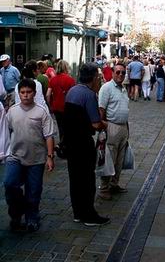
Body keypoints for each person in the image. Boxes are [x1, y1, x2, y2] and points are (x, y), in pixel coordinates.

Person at [4, 79, 55, 232]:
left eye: (29, 92)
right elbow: (7, 132)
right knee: (10, 184)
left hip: (36, 158)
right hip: (15, 156)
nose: (25, 95)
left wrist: (50, 157)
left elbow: (49, 136)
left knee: (33, 191)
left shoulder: (41, 111)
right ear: (18, 94)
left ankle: (32, 217)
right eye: (22, 92)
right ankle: (16, 214)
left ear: (34, 93)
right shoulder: (12, 111)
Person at [63, 63, 110, 226]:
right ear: (94, 78)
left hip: (70, 143)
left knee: (75, 180)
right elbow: (96, 124)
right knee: (87, 180)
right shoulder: (88, 95)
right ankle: (88, 214)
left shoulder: (72, 91)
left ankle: (78, 213)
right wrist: (105, 124)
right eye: (99, 77)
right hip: (83, 144)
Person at [98, 63, 130, 200]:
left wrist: (127, 128)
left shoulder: (123, 88)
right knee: (109, 159)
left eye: (123, 73)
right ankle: (104, 188)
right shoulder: (106, 88)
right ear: (112, 73)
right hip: (111, 127)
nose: (120, 75)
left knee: (119, 160)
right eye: (118, 72)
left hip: (123, 127)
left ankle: (114, 184)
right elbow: (101, 110)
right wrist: (105, 126)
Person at [46, 60, 75, 150]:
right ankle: (65, 144)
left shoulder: (53, 80)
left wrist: (50, 105)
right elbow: (74, 94)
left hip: (56, 107)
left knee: (60, 126)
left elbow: (48, 94)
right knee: (69, 127)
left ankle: (62, 144)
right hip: (67, 107)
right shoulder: (70, 80)